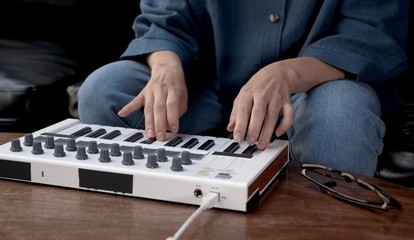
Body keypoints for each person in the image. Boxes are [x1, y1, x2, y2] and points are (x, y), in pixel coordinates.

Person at [77, 0, 409, 176]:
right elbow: (165, 18)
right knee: (104, 89)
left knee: (342, 116)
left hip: (314, 92)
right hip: (204, 89)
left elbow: (369, 33)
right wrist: (165, 69)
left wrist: (284, 75)